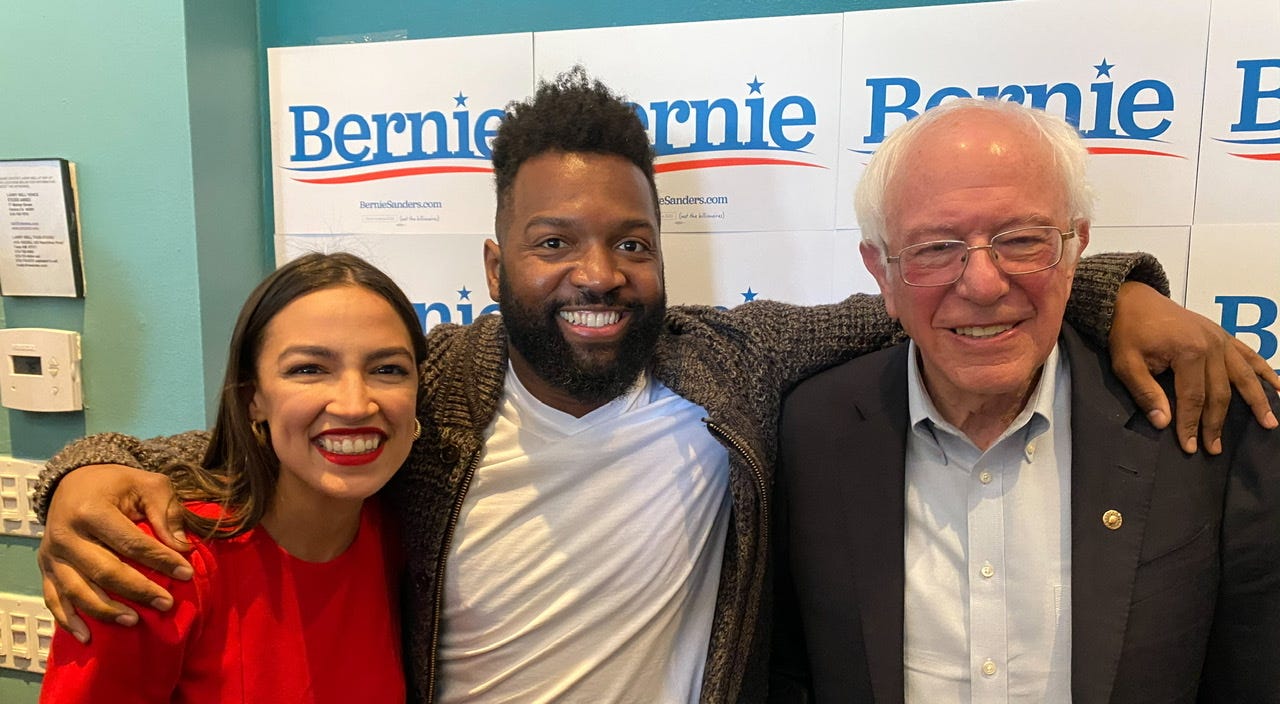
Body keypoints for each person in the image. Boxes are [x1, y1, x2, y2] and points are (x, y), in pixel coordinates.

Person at [31, 70, 1280, 703]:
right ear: (492, 263)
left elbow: (935, 291)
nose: (597, 273)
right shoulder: (434, 391)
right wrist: (75, 473)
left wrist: (1112, 287)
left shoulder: (724, 363)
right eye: (553, 240)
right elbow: (240, 453)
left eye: (629, 241)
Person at [771, 99, 1280, 703]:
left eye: (1022, 241)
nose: (983, 285)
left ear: (1075, 249)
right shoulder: (812, 429)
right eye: (935, 247)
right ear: (881, 270)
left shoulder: (1209, 418)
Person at [38, 252, 426, 702]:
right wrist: (82, 471)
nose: (355, 404)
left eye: (388, 369)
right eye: (308, 369)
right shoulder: (156, 561)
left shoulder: (405, 532)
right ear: (252, 397)